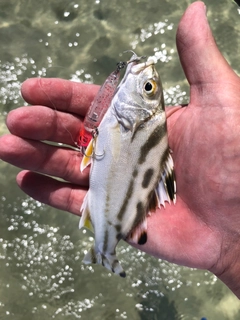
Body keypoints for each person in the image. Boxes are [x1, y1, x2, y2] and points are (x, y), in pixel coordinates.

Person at [1, 1, 240, 298]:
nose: (144, 79)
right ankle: (104, 245)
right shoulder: (130, 118)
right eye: (149, 88)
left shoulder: (134, 120)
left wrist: (232, 253)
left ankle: (104, 247)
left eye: (147, 89)